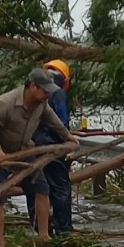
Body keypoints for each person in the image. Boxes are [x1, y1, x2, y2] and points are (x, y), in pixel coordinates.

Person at [0, 68, 79, 247]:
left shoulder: (41, 104)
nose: (47, 95)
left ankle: (44, 237)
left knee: (42, 189)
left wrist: (67, 136)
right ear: (32, 87)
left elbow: (52, 119)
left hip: (24, 151)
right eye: (44, 91)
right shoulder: (5, 103)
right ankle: (0, 245)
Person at [40, 58, 76, 236]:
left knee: (38, 188)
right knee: (60, 187)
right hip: (53, 147)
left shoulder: (35, 87)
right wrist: (67, 144)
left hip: (33, 146)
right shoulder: (57, 93)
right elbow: (62, 122)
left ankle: (41, 229)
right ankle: (63, 230)